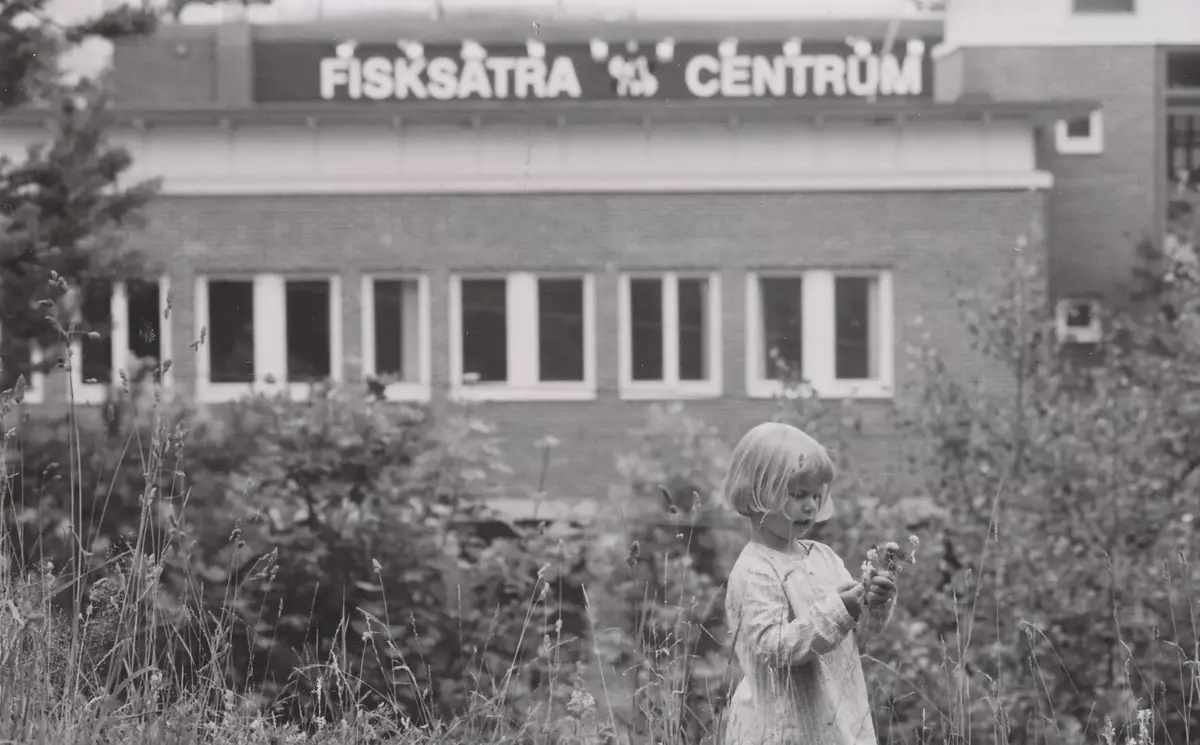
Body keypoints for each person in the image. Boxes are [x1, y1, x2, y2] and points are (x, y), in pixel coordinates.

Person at [720, 422, 897, 745]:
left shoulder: (823, 557)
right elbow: (776, 649)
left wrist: (874, 602)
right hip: (784, 729)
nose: (811, 506)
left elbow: (858, 636)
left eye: (817, 495)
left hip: (837, 721)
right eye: (799, 494)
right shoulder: (755, 570)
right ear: (758, 492)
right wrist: (841, 609)